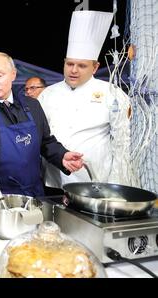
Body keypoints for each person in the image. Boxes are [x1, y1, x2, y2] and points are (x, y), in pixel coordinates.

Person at [0, 52, 84, 200]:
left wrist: (61, 155)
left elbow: (45, 142)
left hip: (34, 195)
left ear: (13, 74)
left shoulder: (33, 106)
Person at [38, 11, 131, 188]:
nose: (74, 70)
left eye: (82, 66)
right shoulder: (47, 94)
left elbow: (122, 143)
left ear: (95, 67)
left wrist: (117, 184)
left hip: (95, 181)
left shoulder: (113, 94)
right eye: (70, 64)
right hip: (53, 181)